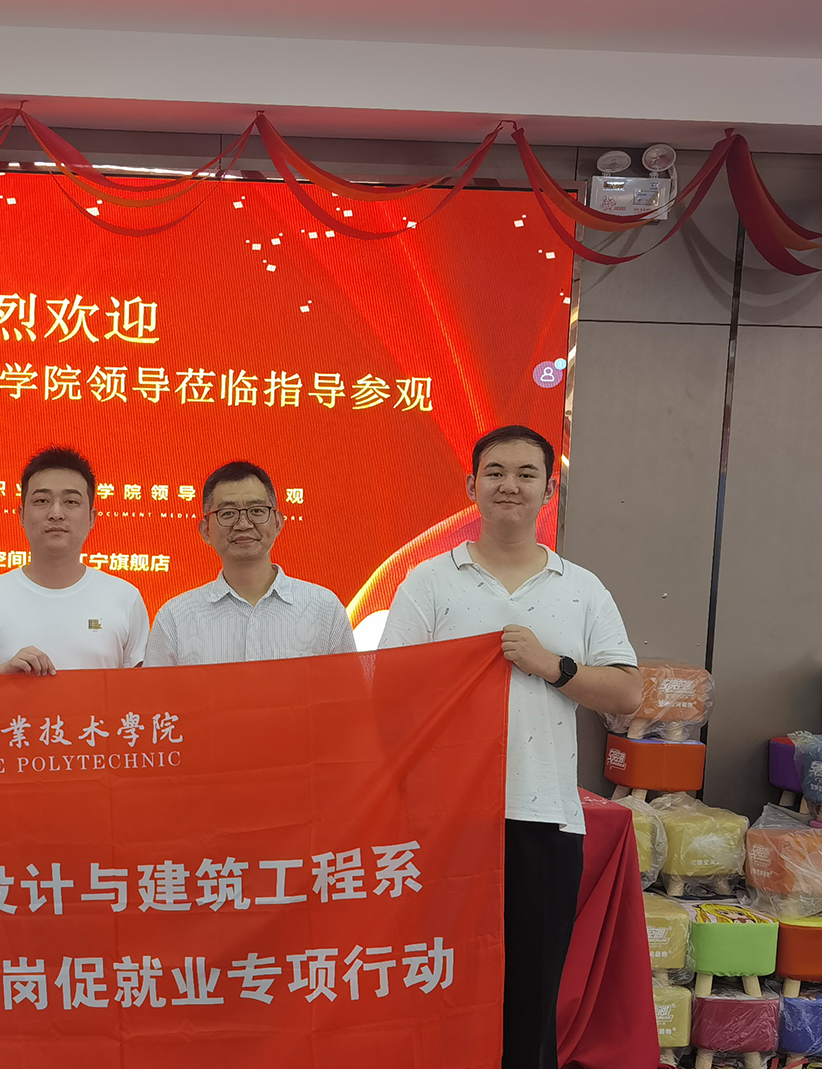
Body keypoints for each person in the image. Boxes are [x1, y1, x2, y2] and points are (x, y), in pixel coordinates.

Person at [375, 425, 640, 1069]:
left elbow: (628, 693)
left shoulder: (581, 587)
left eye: (526, 474)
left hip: (544, 816)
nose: (509, 485)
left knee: (530, 996)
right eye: (495, 472)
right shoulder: (430, 582)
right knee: (442, 987)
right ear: (471, 486)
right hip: (448, 820)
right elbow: (389, 693)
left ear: (549, 491)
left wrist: (554, 666)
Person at [0, 446, 148, 675]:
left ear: (91, 518)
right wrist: (0, 676)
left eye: (71, 502)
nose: (56, 514)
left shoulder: (125, 598)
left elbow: (142, 692)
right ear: (21, 515)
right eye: (42, 500)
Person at [146, 459, 356, 666]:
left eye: (256, 511)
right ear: (205, 531)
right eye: (228, 514)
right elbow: (155, 690)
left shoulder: (323, 607)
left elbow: (349, 687)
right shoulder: (175, 618)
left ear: (277, 522)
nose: (243, 524)